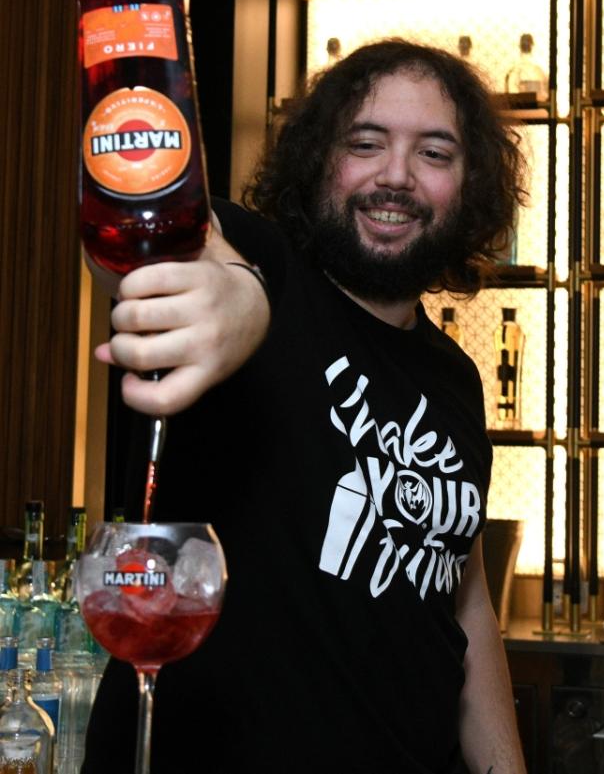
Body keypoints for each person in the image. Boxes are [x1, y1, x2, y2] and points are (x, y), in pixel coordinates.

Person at [83, 40, 529, 774]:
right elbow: (170, 244)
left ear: (470, 184)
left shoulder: (456, 379)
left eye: (435, 153)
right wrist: (230, 296)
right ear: (322, 158)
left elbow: (465, 599)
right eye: (366, 143)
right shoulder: (269, 270)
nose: (395, 176)